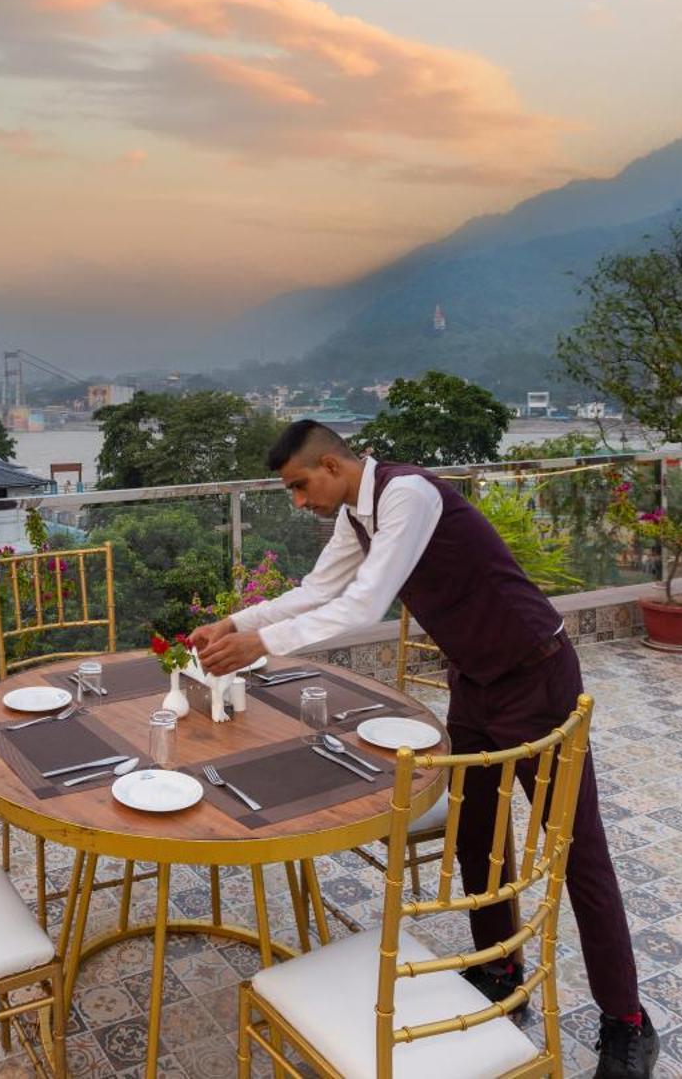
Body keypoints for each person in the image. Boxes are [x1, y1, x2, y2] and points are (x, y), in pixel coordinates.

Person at [190, 420, 657, 1078]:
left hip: (537, 672)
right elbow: (318, 591)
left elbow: (367, 603)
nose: (297, 501)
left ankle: (628, 1021)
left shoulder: (408, 495)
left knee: (574, 852)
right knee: (476, 834)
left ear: (331, 464)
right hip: (476, 683)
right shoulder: (358, 516)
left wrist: (260, 645)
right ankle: (498, 968)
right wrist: (237, 623)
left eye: (299, 486)